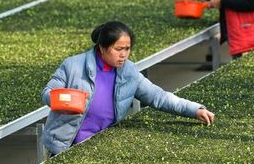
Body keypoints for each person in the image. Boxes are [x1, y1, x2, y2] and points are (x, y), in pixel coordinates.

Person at [41, 21, 215, 156]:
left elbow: (158, 97)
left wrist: (194, 109)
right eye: (118, 49)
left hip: (99, 146)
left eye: (127, 49)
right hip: (64, 147)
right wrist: (64, 100)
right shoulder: (73, 65)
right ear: (102, 48)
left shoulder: (129, 72)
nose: (123, 54)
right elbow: (48, 93)